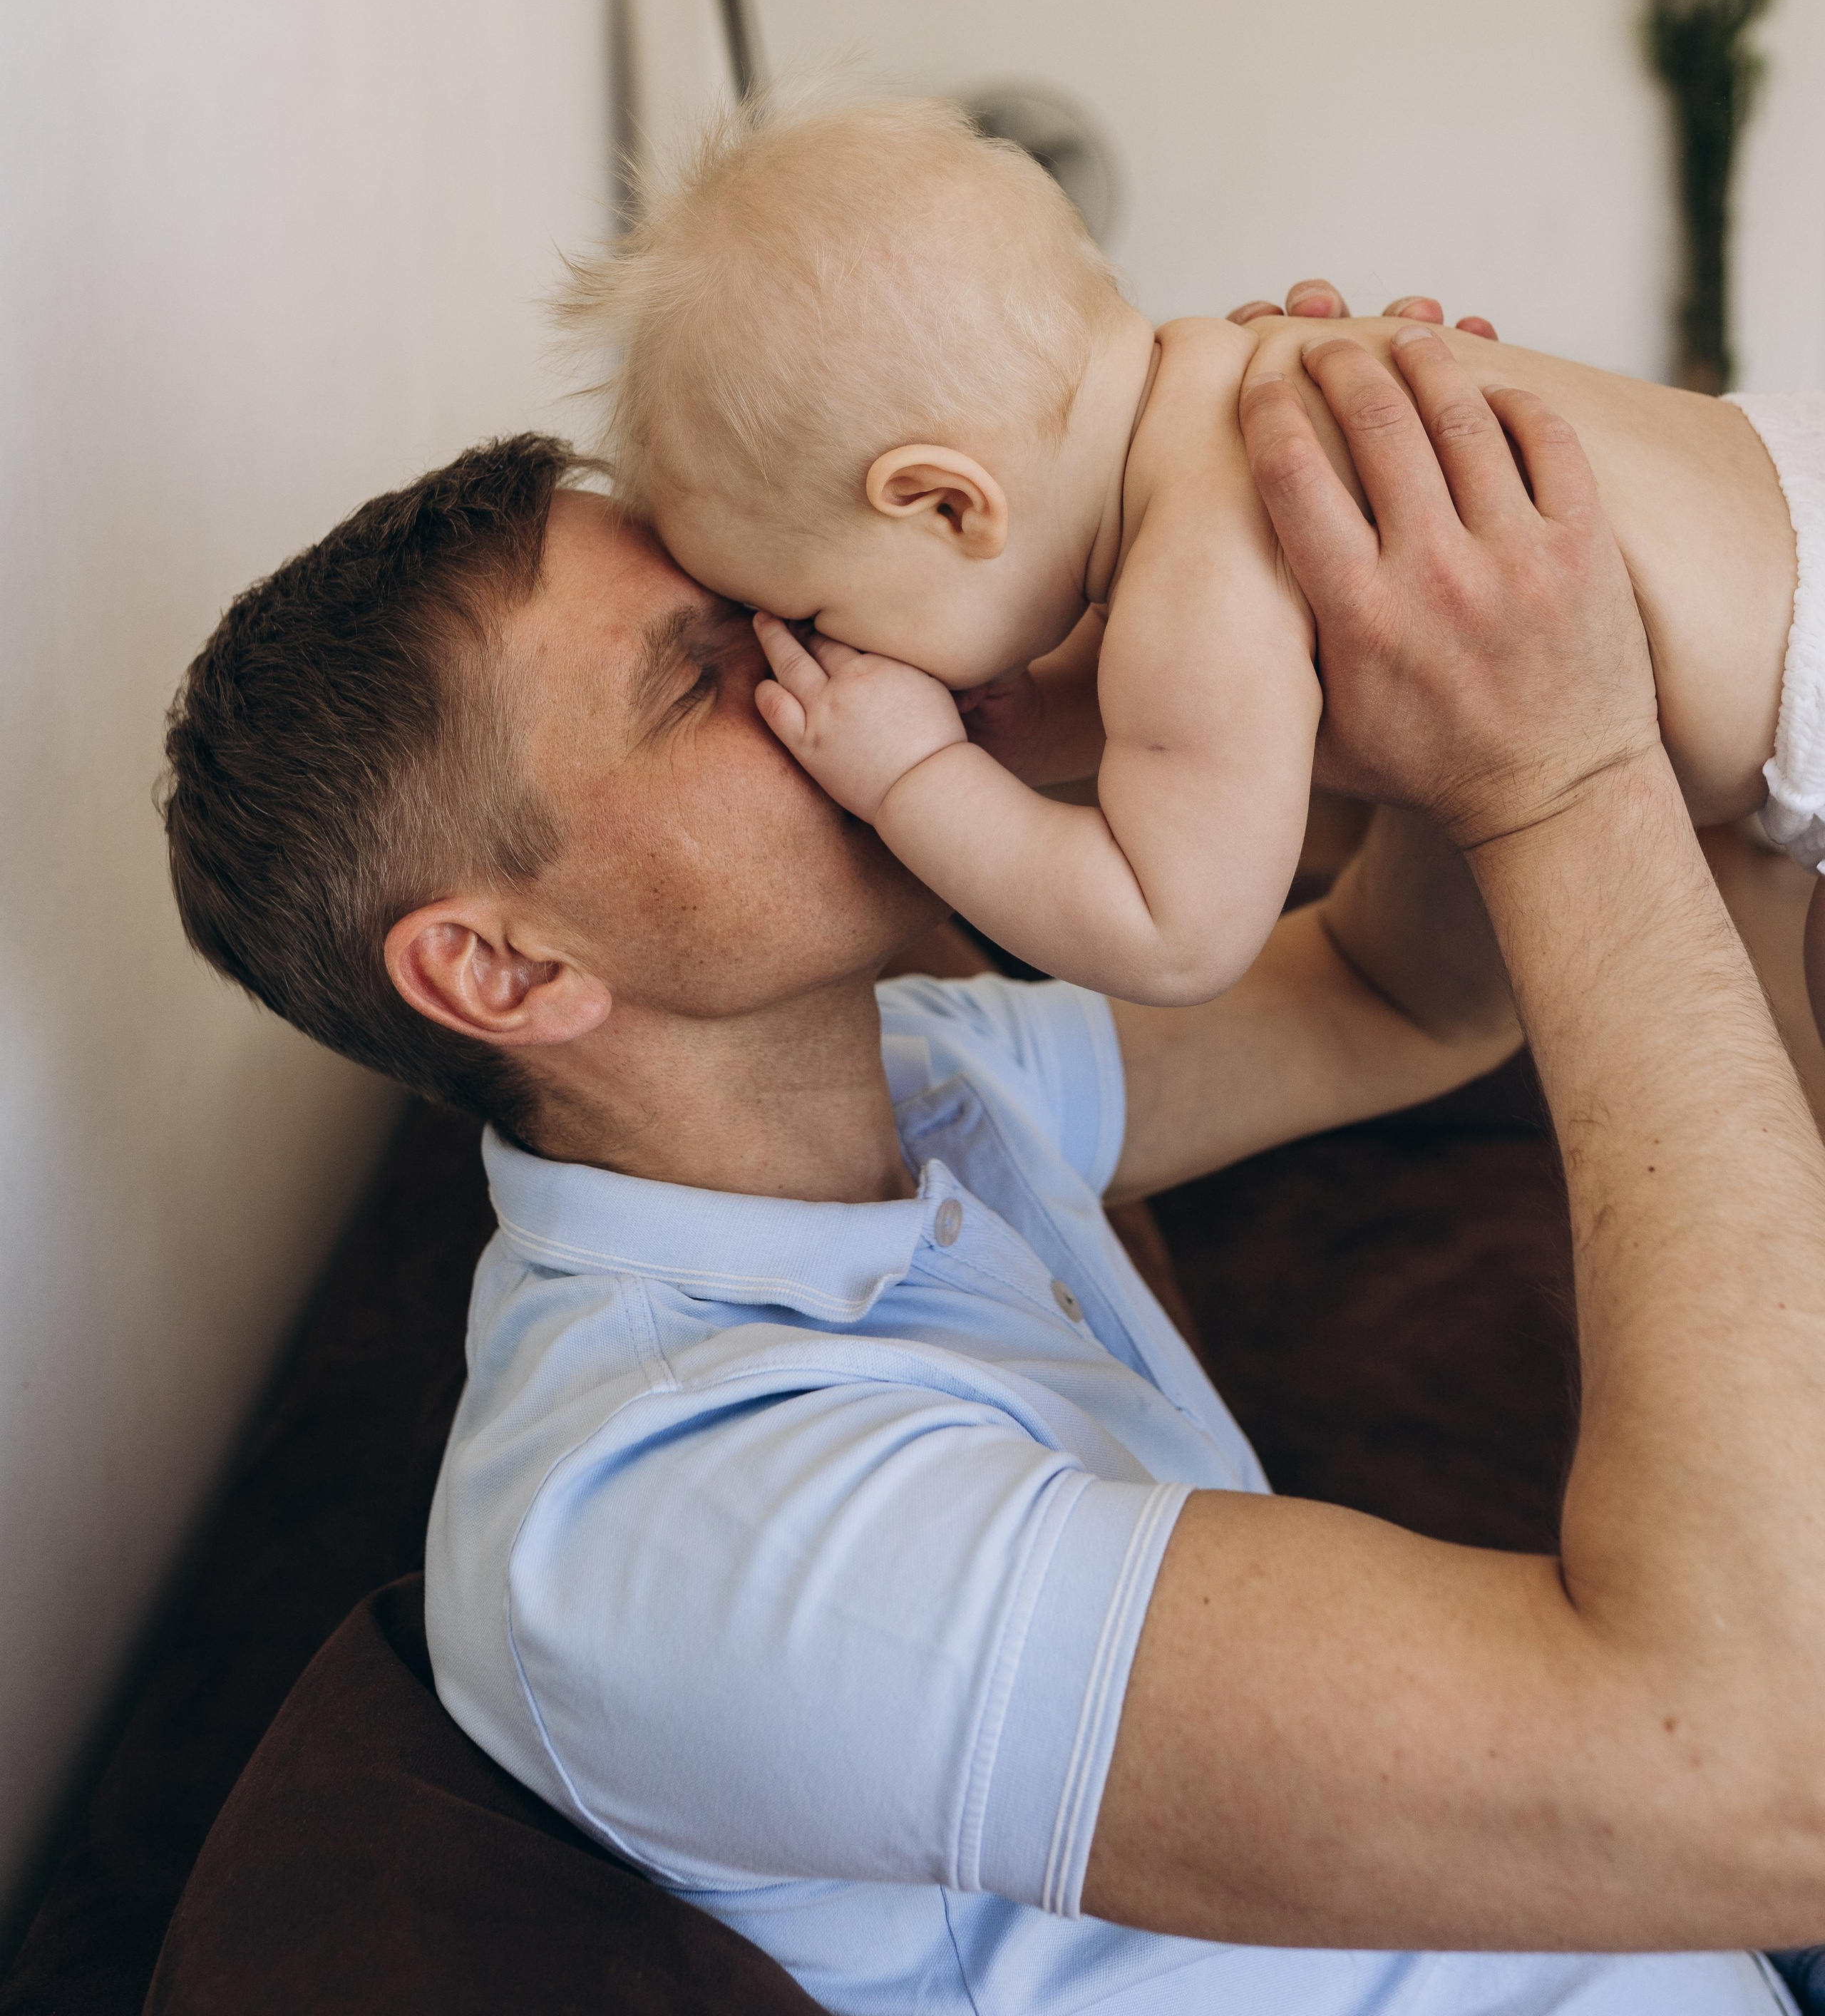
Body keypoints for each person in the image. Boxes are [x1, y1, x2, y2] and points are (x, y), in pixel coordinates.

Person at [160, 323, 1825, 2014]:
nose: (831, 648)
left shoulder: (920, 1072)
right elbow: (1772, 1770)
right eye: (699, 676)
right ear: (505, 973)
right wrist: (1560, 777)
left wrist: (1307, 658)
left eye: (775, 605)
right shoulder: (691, 1530)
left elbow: (1391, 1000)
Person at [560, 97, 1819, 1020]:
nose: (835, 650)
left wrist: (917, 777)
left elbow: (1173, 931)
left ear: (949, 506)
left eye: (820, 608)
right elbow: (1189, 725)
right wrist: (1038, 717)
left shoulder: (1194, 585)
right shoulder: (1233, 377)